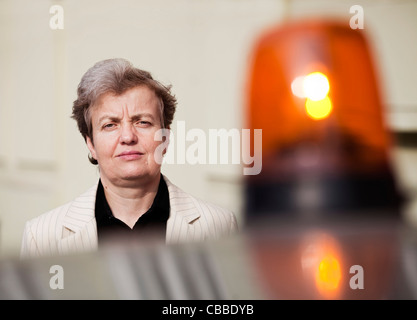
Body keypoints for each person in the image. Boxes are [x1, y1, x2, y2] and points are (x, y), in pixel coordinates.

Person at [20, 58, 238, 258]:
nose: (127, 137)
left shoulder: (219, 227)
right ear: (91, 144)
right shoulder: (41, 237)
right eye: (110, 125)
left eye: (142, 122)